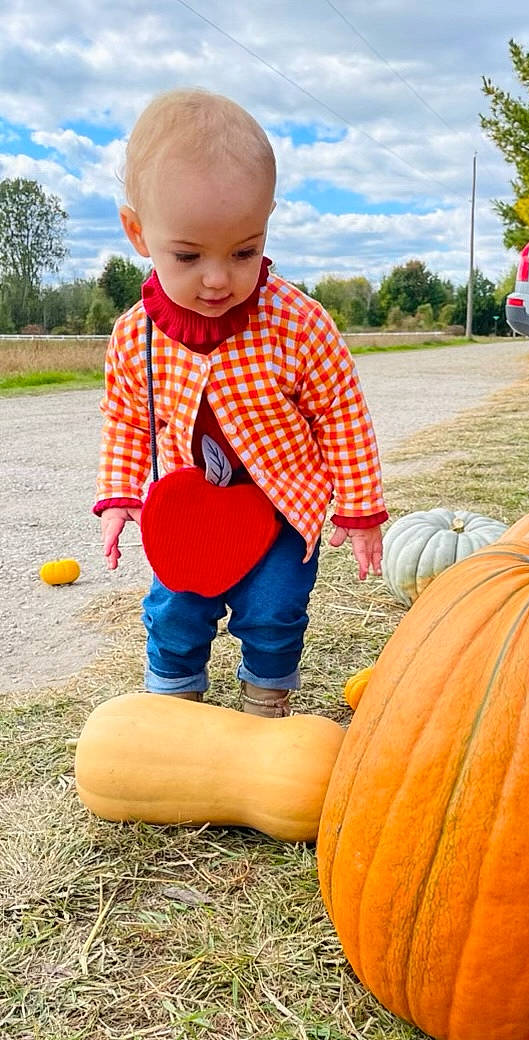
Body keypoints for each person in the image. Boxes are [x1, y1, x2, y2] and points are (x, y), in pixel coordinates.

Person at [94, 87, 388, 718]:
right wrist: (120, 494)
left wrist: (360, 509)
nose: (218, 278)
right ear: (138, 232)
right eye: (188, 254)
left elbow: (340, 411)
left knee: (275, 608)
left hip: (283, 507)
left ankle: (265, 700)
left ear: (265, 226)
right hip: (189, 510)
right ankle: (175, 707)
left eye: (243, 251)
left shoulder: (299, 324)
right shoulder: (134, 333)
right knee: (175, 608)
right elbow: (127, 418)